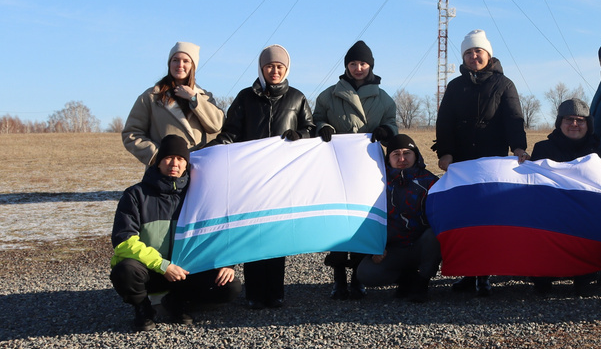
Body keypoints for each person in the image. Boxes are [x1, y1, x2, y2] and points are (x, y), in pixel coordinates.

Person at [215, 44, 315, 309]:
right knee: (254, 230)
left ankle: (275, 292)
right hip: (251, 177)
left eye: (279, 67)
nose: (274, 71)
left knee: (276, 231)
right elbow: (232, 130)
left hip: (283, 177)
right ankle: (254, 293)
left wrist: (300, 135)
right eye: (269, 66)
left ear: (286, 69)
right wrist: (217, 147)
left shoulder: (297, 97)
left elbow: (310, 128)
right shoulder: (245, 97)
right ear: (261, 69)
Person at [433, 29, 528, 297]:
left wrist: (519, 146)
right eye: (468, 52)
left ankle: (485, 273)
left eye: (478, 51)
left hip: (491, 158)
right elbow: (445, 122)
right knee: (465, 216)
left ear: (488, 54)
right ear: (463, 57)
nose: (474, 56)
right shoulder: (455, 86)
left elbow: (514, 118)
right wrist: (446, 152)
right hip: (462, 161)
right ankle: (467, 271)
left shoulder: (504, 84)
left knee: (488, 215)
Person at [110, 135, 241, 330]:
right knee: (125, 271)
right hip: (152, 270)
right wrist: (163, 266)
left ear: (186, 164)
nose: (174, 163)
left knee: (231, 286)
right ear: (158, 161)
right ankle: (143, 308)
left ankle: (178, 302)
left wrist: (227, 263)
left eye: (180, 159)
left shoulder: (198, 193)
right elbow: (124, 241)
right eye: (168, 158)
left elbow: (219, 231)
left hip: (185, 272)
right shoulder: (135, 195)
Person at [314, 39, 398, 301]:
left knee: (363, 219)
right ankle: (338, 279)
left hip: (368, 167)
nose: (358, 67)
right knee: (338, 220)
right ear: (346, 66)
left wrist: (387, 132)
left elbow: (391, 122)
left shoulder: (384, 98)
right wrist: (323, 128)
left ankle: (358, 278)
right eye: (353, 63)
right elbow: (317, 119)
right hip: (336, 165)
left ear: (370, 65)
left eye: (363, 63)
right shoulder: (328, 95)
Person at [527, 99, 601, 293]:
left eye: (580, 120)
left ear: (588, 124)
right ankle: (543, 273)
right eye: (569, 119)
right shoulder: (542, 149)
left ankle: (585, 273)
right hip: (551, 214)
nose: (574, 124)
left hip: (586, 215)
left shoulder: (598, 151)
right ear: (559, 123)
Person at [356, 134, 440, 302]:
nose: (402, 158)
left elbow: (442, 216)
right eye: (396, 154)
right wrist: (375, 247)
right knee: (365, 274)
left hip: (421, 245)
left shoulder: (431, 182)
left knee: (434, 234)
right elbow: (366, 219)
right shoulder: (376, 183)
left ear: (416, 154)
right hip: (393, 248)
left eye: (407, 153)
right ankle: (406, 279)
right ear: (389, 159)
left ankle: (422, 280)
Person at [122, 42, 224, 166]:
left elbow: (216, 126)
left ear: (193, 66)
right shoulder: (151, 97)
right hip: (163, 173)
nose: (180, 65)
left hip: (195, 168)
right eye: (175, 60)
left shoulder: (204, 97)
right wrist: (159, 156)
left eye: (186, 61)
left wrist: (193, 98)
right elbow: (131, 134)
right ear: (169, 63)